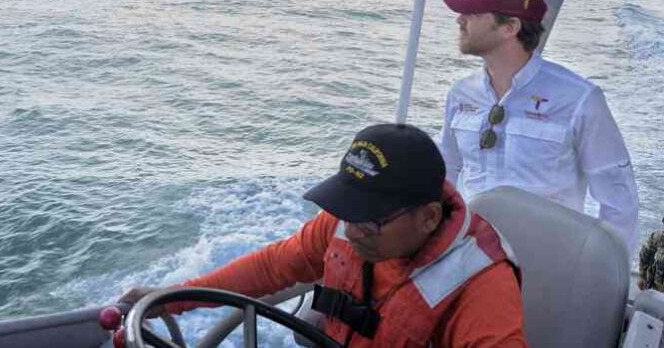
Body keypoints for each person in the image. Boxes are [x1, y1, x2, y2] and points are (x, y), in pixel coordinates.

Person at [121, 123, 527, 347]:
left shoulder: (482, 286)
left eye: (370, 219)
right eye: (347, 209)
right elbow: (271, 267)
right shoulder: (346, 226)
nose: (352, 230)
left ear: (428, 217)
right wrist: (172, 297)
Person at [437, 0, 639, 254]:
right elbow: (447, 169)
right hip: (473, 256)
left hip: (549, 260)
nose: (460, 19)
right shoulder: (461, 94)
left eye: (474, 12)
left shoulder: (579, 98)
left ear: (510, 27)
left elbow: (618, 199)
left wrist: (606, 272)